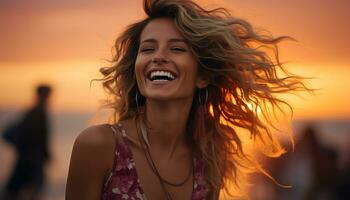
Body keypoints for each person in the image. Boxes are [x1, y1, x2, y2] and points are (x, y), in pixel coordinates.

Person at [66, 0, 309, 199]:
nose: (158, 57)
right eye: (148, 49)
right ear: (137, 68)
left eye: (177, 49)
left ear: (202, 76)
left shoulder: (209, 159)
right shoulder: (99, 146)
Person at [2, 85, 52, 200]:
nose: (48, 97)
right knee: (29, 189)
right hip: (32, 158)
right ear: (41, 95)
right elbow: (40, 137)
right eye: (46, 94)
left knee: (17, 188)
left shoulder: (33, 111)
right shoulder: (37, 112)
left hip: (27, 157)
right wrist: (46, 154)